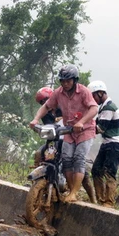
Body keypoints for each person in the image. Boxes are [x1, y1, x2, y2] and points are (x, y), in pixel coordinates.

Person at [29, 64, 98, 202]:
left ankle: (74, 192)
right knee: (66, 158)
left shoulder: (83, 91)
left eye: (68, 81)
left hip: (85, 129)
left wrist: (81, 122)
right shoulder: (58, 93)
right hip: (68, 130)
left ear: (74, 80)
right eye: (63, 81)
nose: (65, 84)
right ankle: (71, 190)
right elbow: (47, 106)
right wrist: (36, 119)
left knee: (78, 158)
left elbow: (94, 108)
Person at [87, 80, 119, 208]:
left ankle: (108, 202)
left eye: (93, 96)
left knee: (110, 172)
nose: (92, 99)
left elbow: (100, 128)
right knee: (96, 170)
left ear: (100, 93)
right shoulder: (103, 107)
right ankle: (100, 200)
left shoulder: (109, 107)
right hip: (107, 144)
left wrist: (83, 128)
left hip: (115, 145)